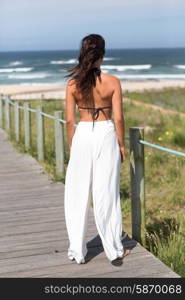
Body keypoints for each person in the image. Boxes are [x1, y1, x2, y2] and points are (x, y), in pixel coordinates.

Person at [64, 34, 129, 266]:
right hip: (106, 134)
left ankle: (78, 251)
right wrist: (122, 144)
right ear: (102, 55)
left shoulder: (72, 84)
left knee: (77, 192)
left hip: (82, 135)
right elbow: (119, 118)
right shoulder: (112, 82)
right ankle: (114, 248)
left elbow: (69, 121)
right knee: (107, 192)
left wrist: (73, 145)